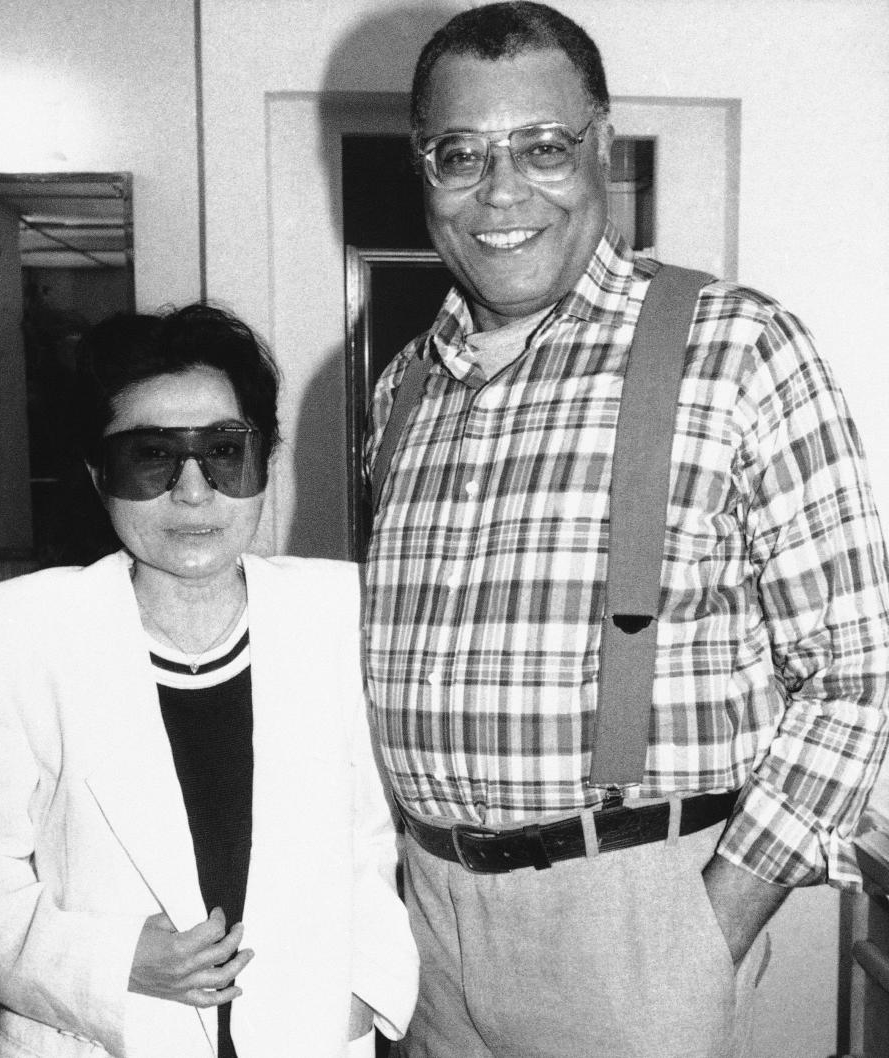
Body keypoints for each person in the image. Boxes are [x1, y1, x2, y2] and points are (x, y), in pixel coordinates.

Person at [362, 4, 889, 1057]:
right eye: (460, 152)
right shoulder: (399, 388)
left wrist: (716, 915)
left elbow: (858, 671)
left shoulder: (736, 346)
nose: (501, 191)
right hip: (425, 926)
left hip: (637, 926)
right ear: (422, 167)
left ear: (602, 147)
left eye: (543, 147)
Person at [0, 303, 418, 1058]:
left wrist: (363, 995)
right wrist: (111, 962)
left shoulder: (344, 613)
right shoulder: (14, 638)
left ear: (265, 462)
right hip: (98, 1035)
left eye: (225, 451)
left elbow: (379, 837)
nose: (194, 491)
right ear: (99, 475)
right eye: (151, 456)